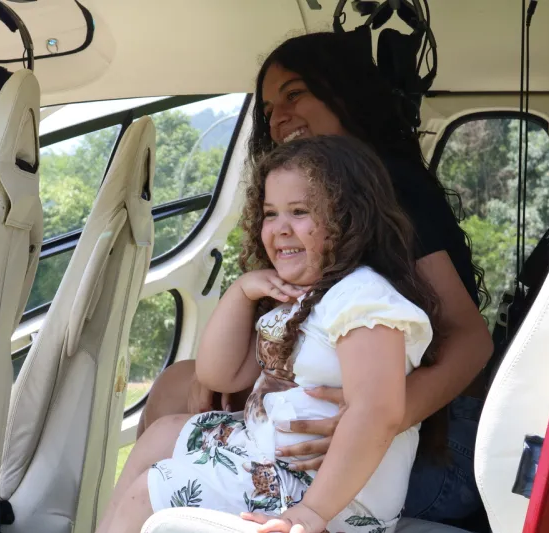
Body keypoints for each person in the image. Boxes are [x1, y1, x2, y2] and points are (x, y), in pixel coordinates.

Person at [138, 31, 494, 526]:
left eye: (295, 94)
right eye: (267, 110)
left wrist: (377, 419)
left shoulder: (391, 194)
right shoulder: (298, 232)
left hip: (433, 437)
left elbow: (472, 341)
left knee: (169, 442)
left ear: (344, 92)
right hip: (325, 420)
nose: (279, 117)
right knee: (181, 383)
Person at [98, 135, 443, 533]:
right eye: (270, 214)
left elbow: (377, 412)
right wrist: (241, 291)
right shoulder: (302, 298)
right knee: (161, 435)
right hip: (270, 459)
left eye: (299, 212)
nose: (279, 228)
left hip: (327, 493)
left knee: (148, 493)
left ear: (350, 219)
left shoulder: (363, 299)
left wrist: (313, 512)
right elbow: (219, 376)